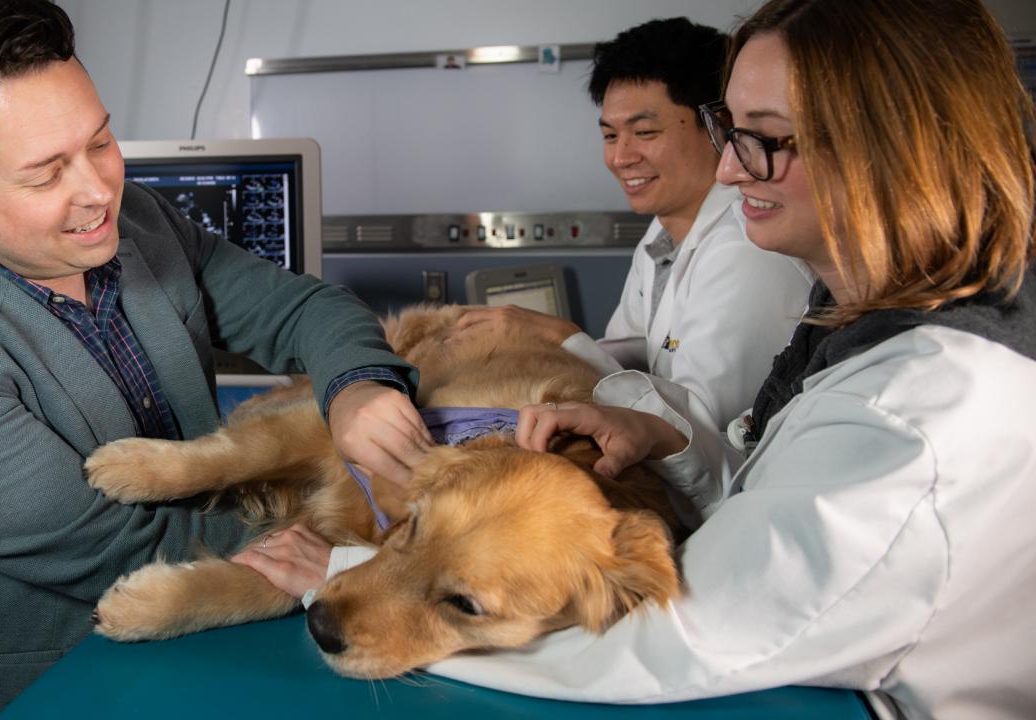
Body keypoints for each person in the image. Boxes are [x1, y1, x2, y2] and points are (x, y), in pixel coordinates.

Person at [0, 1, 431, 717]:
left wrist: (356, 386)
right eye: (46, 174)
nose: (97, 191)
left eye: (101, 142)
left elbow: (300, 310)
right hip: (43, 682)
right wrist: (354, 553)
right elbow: (104, 547)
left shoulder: (141, 220)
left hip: (198, 644)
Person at [438, 1, 1034, 717]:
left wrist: (370, 583)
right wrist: (673, 443)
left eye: (768, 140)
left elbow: (674, 637)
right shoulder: (872, 322)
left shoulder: (914, 414)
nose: (728, 169)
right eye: (731, 131)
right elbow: (778, 505)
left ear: (898, 152)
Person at [450, 18, 814, 518]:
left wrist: (564, 338)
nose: (622, 157)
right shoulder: (664, 235)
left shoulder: (751, 249)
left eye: (645, 132)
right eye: (610, 135)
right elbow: (632, 355)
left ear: (718, 127)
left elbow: (699, 440)